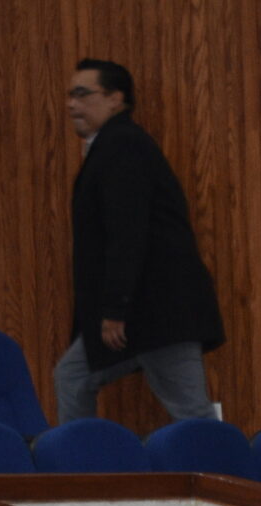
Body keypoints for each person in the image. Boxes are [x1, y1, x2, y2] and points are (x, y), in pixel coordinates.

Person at [55, 58, 223, 425]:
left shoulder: (122, 146)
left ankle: (79, 455)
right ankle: (79, 458)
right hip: (149, 312)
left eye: (82, 94)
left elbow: (127, 230)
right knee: (73, 377)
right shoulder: (116, 145)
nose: (71, 104)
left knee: (193, 415)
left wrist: (115, 308)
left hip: (156, 310)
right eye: (69, 95)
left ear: (115, 99)